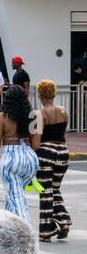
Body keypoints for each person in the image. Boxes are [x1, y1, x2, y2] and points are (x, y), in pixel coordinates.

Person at [0, 86, 41, 224]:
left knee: (16, 197)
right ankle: (7, 227)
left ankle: (25, 230)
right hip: (30, 158)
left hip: (12, 157)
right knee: (14, 195)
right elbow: (36, 145)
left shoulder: (2, 116)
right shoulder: (33, 115)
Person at [32, 80, 72, 242]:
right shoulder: (64, 112)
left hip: (45, 152)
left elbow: (35, 141)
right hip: (63, 151)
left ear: (40, 95)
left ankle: (46, 231)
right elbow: (62, 133)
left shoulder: (38, 114)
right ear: (54, 94)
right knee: (55, 189)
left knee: (44, 191)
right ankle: (63, 220)